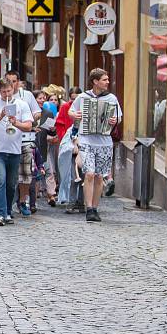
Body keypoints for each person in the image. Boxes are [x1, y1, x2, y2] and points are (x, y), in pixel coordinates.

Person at [69, 68, 121, 222]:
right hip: (86, 139)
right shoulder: (83, 97)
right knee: (89, 173)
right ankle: (89, 208)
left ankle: (95, 208)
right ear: (95, 81)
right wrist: (75, 115)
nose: (107, 82)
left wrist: (114, 120)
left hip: (104, 141)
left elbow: (118, 117)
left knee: (99, 176)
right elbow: (71, 112)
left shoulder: (111, 98)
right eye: (104, 79)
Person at [0, 79, 34, 226]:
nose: (6, 94)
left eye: (9, 91)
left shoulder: (21, 105)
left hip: (14, 150)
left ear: (13, 89)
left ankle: (8, 211)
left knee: (11, 184)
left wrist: (15, 122)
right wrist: (1, 115)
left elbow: (29, 126)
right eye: (3, 92)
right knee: (0, 180)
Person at [6, 69, 41, 217]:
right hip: (7, 140)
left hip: (26, 138)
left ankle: (22, 201)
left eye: (15, 81)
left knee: (26, 174)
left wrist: (33, 117)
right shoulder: (1, 96)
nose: (12, 84)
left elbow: (37, 112)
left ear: (19, 82)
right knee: (9, 175)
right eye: (9, 81)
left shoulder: (27, 96)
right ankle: (7, 203)